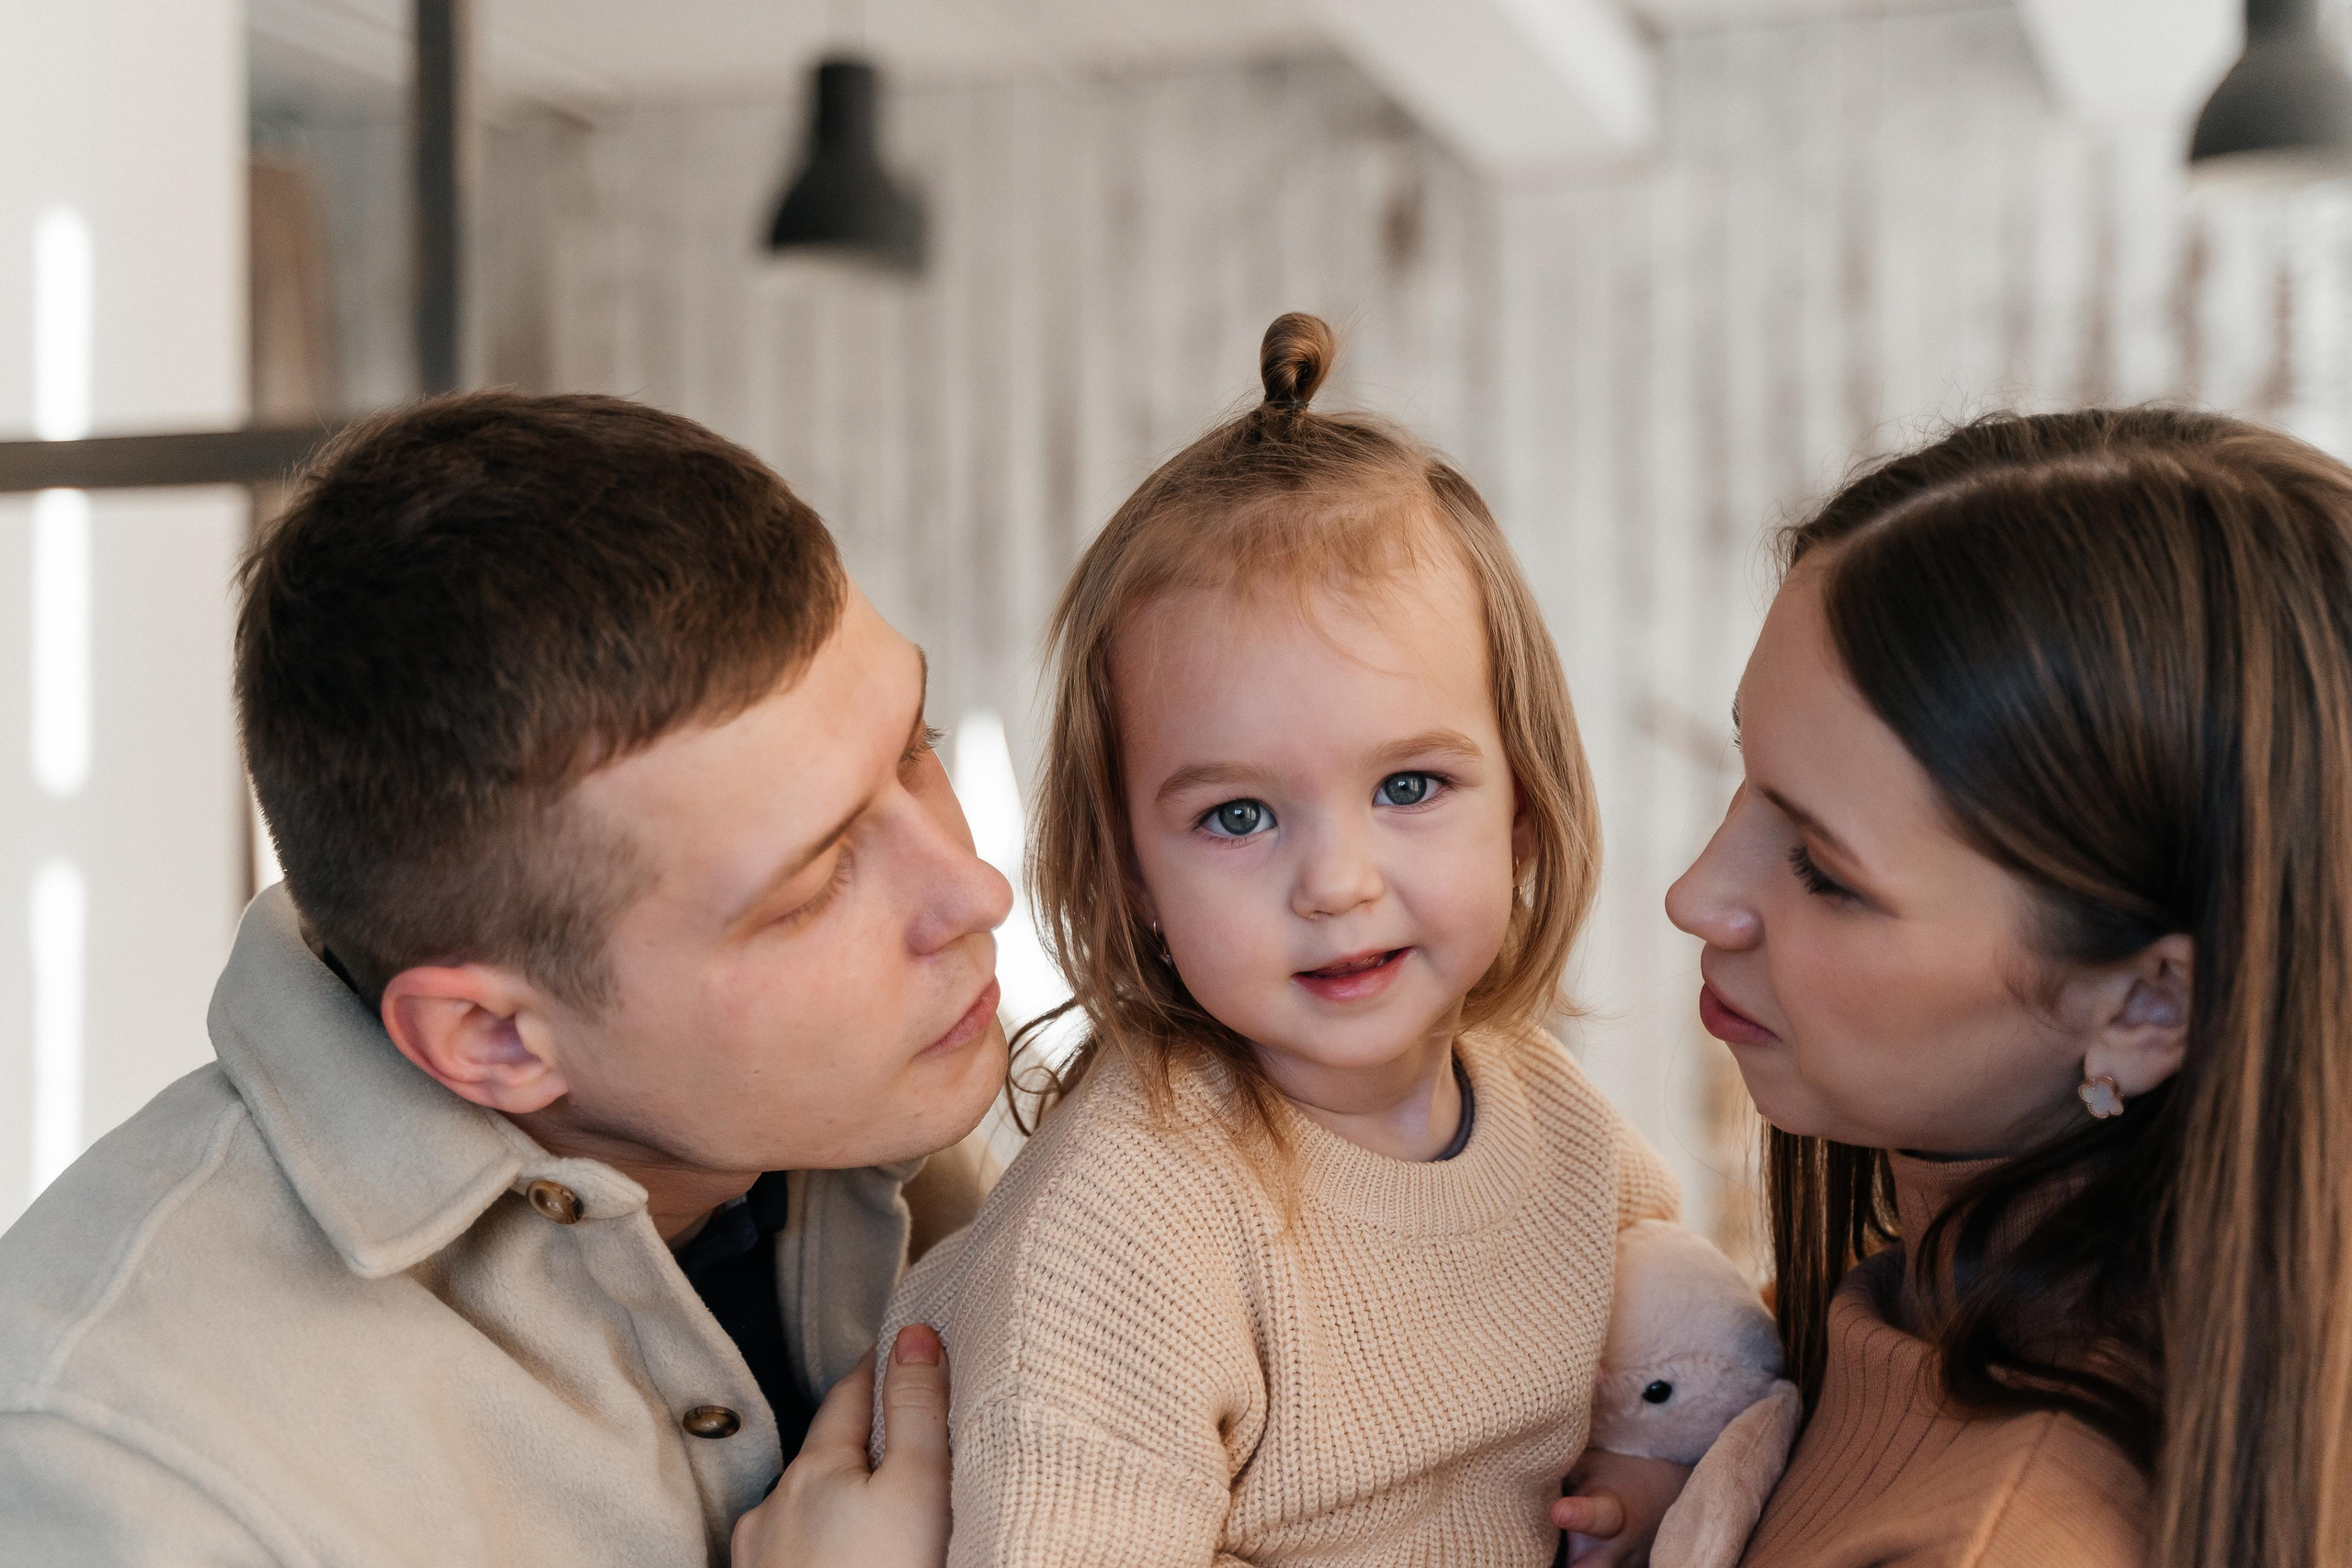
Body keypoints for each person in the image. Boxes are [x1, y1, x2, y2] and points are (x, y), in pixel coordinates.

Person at [0, 391, 1003, 1566]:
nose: (975, 892)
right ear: (492, 1038)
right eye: (814, 883)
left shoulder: (875, 1123)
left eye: (916, 749)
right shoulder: (121, 1463)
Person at [876, 314, 1695, 1567]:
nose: (1337, 881)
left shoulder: (1542, 1106)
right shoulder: (1129, 1219)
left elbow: (1668, 1332)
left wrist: (1645, 1472)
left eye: (1412, 786)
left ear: (1523, 802)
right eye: (1239, 814)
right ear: (1127, 872)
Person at [1645, 408, 2352, 1568]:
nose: (1695, 894)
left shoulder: (1996, 1539)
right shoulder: (1895, 1322)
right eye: (1747, 772)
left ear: (2144, 1009)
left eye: (1824, 869)